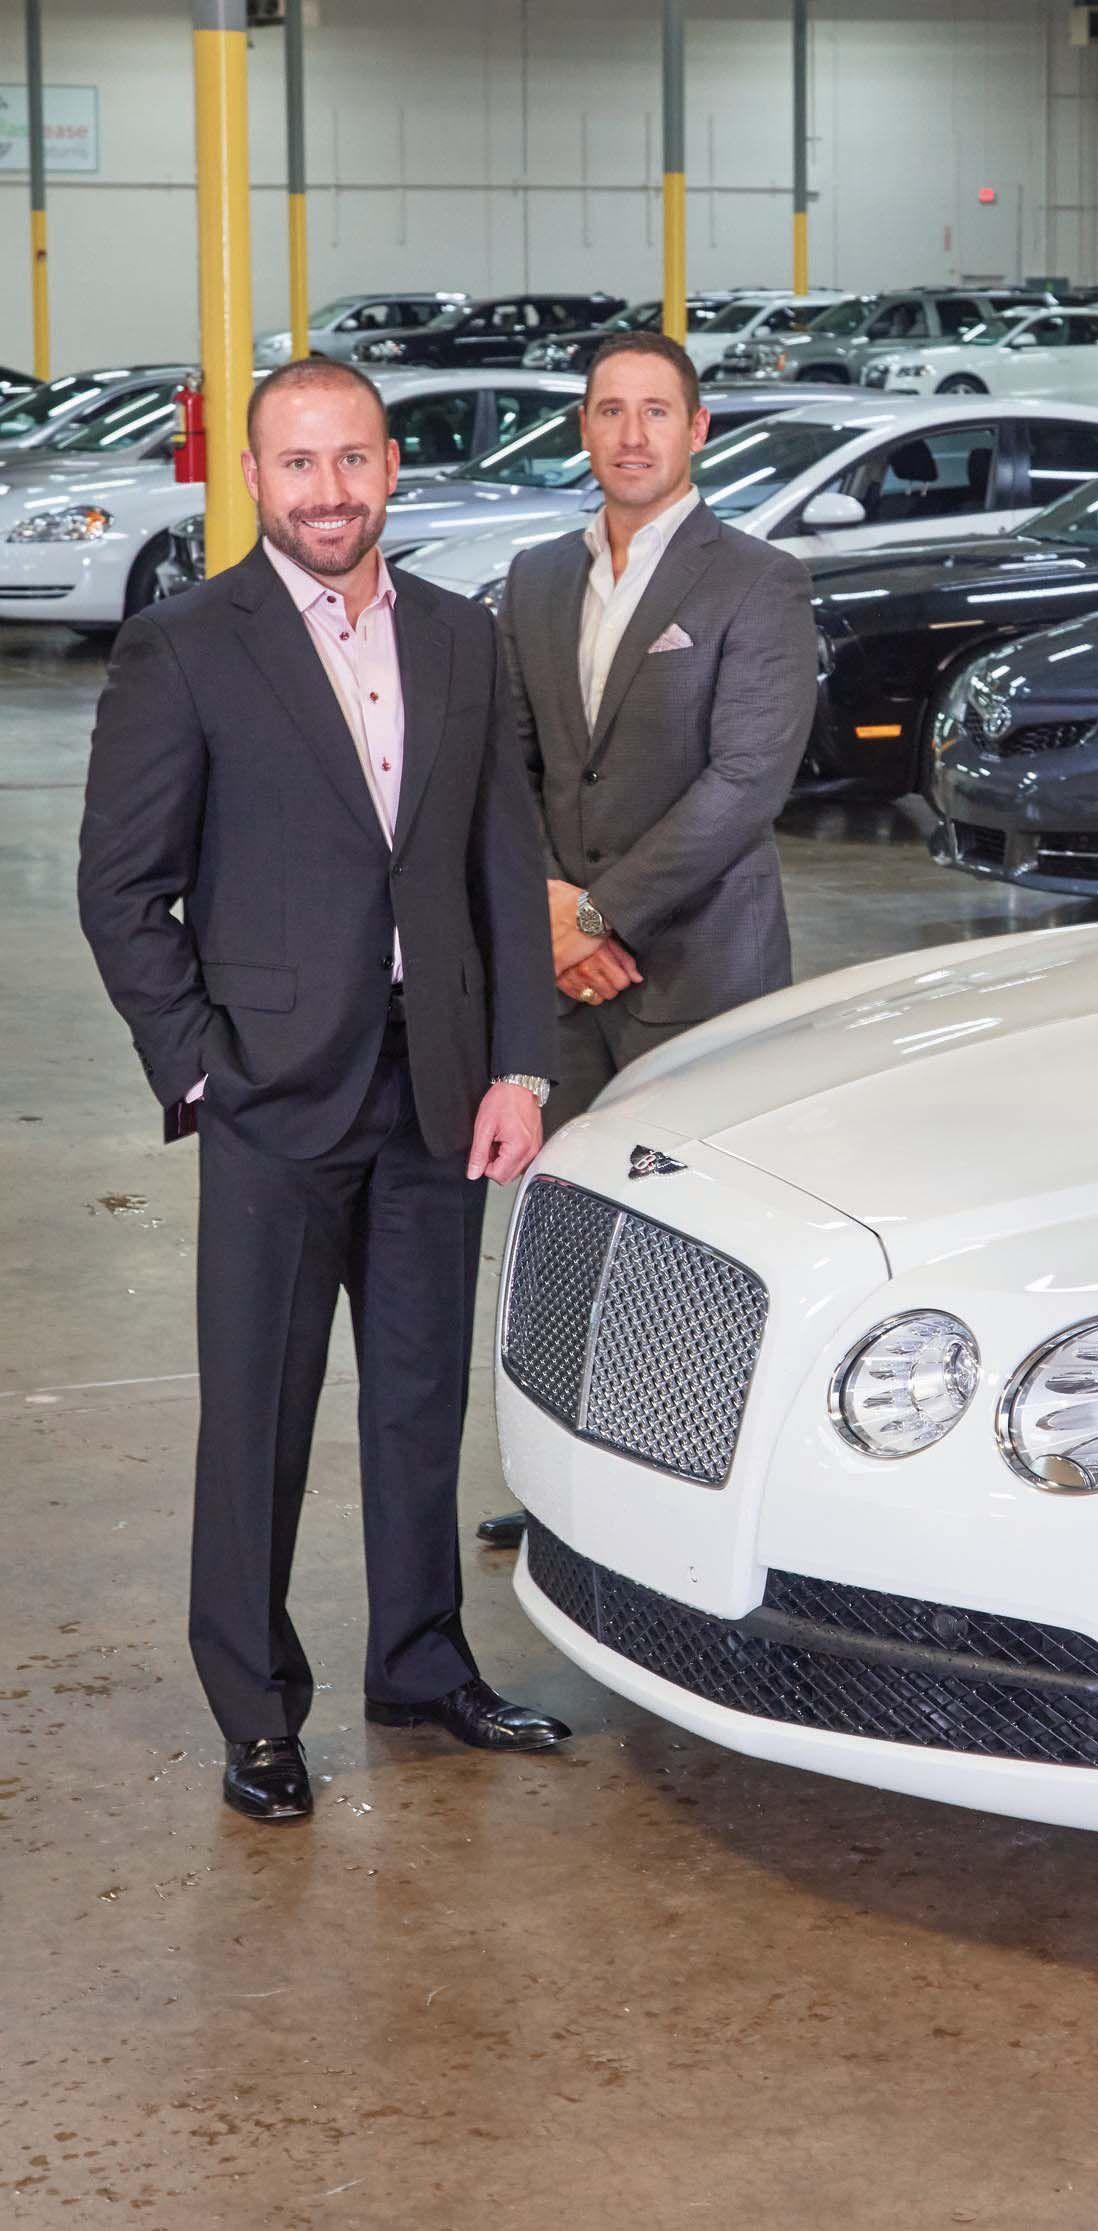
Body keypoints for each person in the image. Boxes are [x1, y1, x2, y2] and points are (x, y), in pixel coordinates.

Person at [77, 360, 568, 1826]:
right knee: (259, 1417)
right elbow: (121, 890)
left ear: (391, 466)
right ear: (252, 478)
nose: (329, 491)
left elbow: (502, 868)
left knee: (419, 1397)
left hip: (438, 1081)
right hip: (273, 1093)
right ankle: (256, 1708)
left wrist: (519, 1061)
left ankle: (419, 1663)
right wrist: (200, 1064)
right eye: (298, 464)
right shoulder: (184, 646)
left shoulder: (462, 636)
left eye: (352, 459)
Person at [475, 329, 816, 1552]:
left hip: (701, 972)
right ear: (583, 428)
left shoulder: (756, 582)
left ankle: (676, 1521)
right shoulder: (534, 579)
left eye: (655, 411)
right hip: (561, 980)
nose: (630, 433)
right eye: (609, 410)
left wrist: (594, 913)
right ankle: (562, 1495)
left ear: (696, 429)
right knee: (564, 1237)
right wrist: (547, 911)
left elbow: (743, 784)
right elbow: (506, 765)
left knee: (692, 1253)